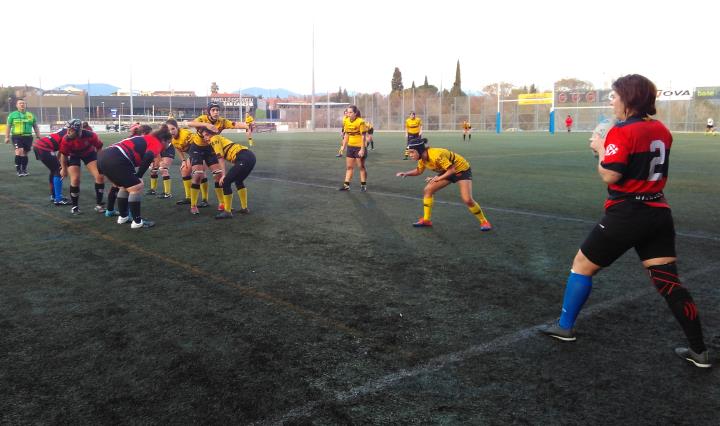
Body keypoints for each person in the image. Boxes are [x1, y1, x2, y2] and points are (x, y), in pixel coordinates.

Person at [540, 74, 711, 368]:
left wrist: (601, 150)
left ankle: (565, 327)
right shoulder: (661, 129)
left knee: (581, 265)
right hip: (658, 212)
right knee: (669, 282)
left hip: (628, 212)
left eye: (614, 95)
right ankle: (700, 351)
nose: (612, 100)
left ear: (629, 98)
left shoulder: (622, 131)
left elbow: (611, 174)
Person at [396, 137, 492, 231]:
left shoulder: (435, 155)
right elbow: (418, 171)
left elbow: (452, 170)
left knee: (467, 199)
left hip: (461, 170)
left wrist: (437, 178)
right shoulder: (422, 159)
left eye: (412, 152)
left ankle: (484, 221)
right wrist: (406, 173)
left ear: (420, 150)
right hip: (447, 170)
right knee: (428, 190)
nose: (410, 155)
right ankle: (426, 220)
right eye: (409, 152)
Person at [97, 125, 172, 229]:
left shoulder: (146, 138)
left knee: (124, 186)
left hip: (103, 157)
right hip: (117, 157)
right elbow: (149, 156)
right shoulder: (156, 142)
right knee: (137, 186)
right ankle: (137, 222)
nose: (168, 145)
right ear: (164, 140)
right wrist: (139, 175)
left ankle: (123, 217)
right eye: (168, 143)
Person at [187, 102, 248, 214]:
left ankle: (222, 203)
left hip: (211, 148)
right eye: (213, 110)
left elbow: (235, 124)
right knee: (198, 174)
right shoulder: (202, 119)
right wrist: (206, 125)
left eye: (217, 110)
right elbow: (189, 123)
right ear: (208, 111)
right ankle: (193, 205)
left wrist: (247, 126)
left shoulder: (222, 121)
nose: (216, 112)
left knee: (219, 175)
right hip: (197, 149)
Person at [199, 127, 255, 219]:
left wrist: (223, 175)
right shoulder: (217, 138)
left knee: (226, 182)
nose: (205, 137)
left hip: (243, 157)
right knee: (239, 181)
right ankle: (244, 208)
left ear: (211, 133)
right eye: (204, 136)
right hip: (250, 156)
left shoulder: (214, 138)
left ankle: (227, 212)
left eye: (207, 135)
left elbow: (220, 157)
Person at [58, 119, 105, 215]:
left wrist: (100, 161)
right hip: (73, 155)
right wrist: (63, 169)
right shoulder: (66, 139)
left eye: (71, 130)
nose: (68, 132)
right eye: (68, 129)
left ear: (78, 130)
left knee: (100, 176)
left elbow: (99, 146)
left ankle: (99, 204)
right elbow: (63, 155)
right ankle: (75, 207)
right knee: (75, 179)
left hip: (89, 153)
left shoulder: (91, 135)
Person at [165, 118, 201, 205]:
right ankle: (188, 197)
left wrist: (195, 161)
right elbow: (178, 148)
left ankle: (204, 200)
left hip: (202, 152)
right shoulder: (172, 139)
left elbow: (198, 143)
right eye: (168, 130)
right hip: (194, 155)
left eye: (173, 129)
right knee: (185, 170)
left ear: (177, 128)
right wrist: (184, 161)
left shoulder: (186, 134)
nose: (171, 131)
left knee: (199, 174)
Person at [32, 124, 69, 205]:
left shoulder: (65, 131)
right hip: (43, 147)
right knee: (58, 170)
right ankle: (58, 198)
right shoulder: (68, 134)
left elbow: (61, 151)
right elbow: (63, 152)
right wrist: (63, 166)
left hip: (39, 145)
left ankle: (54, 196)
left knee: (54, 170)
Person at [5, 99, 41, 177]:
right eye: (20, 103)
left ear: (25, 105)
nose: (22, 105)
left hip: (28, 137)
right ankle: (19, 170)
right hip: (17, 136)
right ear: (17, 105)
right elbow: (8, 127)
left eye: (23, 103)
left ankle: (24, 170)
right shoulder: (12, 115)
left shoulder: (31, 115)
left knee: (25, 153)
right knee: (19, 151)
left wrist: (38, 135)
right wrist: (7, 137)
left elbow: (35, 126)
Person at [337, 105, 367, 192]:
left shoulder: (360, 122)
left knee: (361, 167)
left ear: (355, 113)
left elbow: (363, 137)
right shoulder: (346, 120)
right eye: (348, 112)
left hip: (359, 147)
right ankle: (346, 186)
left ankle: (363, 185)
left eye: (350, 112)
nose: (348, 114)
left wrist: (362, 149)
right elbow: (346, 135)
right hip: (350, 147)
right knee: (349, 167)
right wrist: (343, 147)